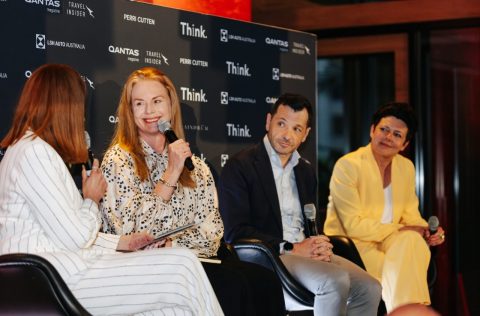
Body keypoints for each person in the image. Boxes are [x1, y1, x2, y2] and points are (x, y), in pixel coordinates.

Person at [0, 64, 223, 316]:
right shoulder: (34, 153)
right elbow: (75, 237)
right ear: (64, 105)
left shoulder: (34, 150)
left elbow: (66, 230)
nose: (81, 116)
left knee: (166, 307)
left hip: (63, 268)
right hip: (48, 278)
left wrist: (125, 242)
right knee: (182, 265)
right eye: (78, 105)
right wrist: (92, 200)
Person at [100, 66, 285, 316]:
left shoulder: (195, 166)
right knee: (233, 287)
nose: (149, 111)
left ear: (171, 105)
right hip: (145, 269)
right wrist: (170, 174)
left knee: (264, 281)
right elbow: (129, 231)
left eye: (157, 101)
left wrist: (173, 243)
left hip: (196, 260)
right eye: (139, 104)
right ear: (129, 111)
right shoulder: (118, 161)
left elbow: (211, 231)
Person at [218, 93, 382, 316]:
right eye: (282, 124)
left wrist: (318, 243)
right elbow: (235, 232)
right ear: (268, 121)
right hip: (272, 257)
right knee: (334, 280)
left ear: (306, 134)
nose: (287, 135)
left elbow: (310, 222)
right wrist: (292, 247)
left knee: (370, 287)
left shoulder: (305, 171)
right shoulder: (240, 166)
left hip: (305, 254)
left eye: (297, 129)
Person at [323, 102, 446, 312]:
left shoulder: (405, 168)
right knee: (405, 262)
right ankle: (412, 311)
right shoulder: (348, 165)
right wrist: (402, 230)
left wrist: (428, 231)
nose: (388, 137)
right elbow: (353, 226)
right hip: (352, 246)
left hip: (392, 244)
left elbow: (411, 217)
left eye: (397, 135)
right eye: (384, 129)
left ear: (405, 144)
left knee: (413, 240)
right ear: (372, 130)